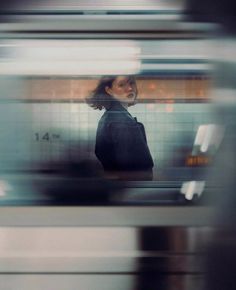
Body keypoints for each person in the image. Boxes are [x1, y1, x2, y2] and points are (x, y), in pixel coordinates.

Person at [86, 76, 154, 180]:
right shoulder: (120, 120)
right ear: (109, 90)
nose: (130, 88)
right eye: (121, 85)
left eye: (131, 83)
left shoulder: (110, 116)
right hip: (131, 189)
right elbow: (132, 166)